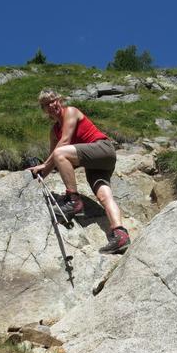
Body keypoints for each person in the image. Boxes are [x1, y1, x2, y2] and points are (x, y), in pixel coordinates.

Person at [28, 89, 130, 254]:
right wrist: (35, 178)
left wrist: (45, 163)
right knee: (104, 196)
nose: (51, 105)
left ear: (59, 100)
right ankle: (120, 234)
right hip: (96, 163)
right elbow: (52, 162)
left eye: (53, 100)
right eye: (46, 104)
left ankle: (74, 200)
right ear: (44, 110)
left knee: (61, 153)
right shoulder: (54, 131)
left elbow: (64, 143)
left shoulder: (71, 112)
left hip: (102, 148)